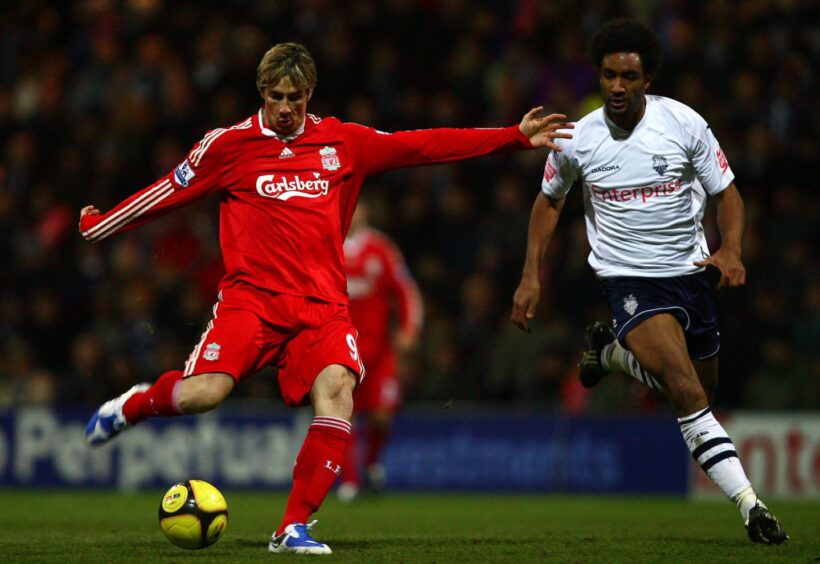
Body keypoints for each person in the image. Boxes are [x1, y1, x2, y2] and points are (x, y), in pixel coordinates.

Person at [79, 42, 572, 555]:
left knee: (338, 389)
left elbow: (421, 145)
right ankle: (136, 405)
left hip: (322, 308)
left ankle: (292, 526)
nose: (286, 107)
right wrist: (101, 225)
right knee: (202, 395)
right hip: (252, 302)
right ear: (261, 95)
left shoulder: (342, 141)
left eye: (295, 96)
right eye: (276, 97)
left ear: (309, 92)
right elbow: (168, 191)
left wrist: (512, 138)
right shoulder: (227, 146)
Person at [510, 21, 788, 545]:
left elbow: (726, 193)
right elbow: (549, 202)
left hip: (691, 274)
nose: (617, 86)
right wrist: (530, 275)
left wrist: (731, 249)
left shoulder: (684, 124)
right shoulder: (578, 138)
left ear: (647, 79)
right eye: (609, 75)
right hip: (628, 281)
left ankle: (611, 355)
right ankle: (752, 507)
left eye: (629, 76)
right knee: (685, 391)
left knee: (701, 392)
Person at [337, 197, 423, 501]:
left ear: (365, 210)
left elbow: (406, 291)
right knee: (342, 414)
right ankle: (349, 481)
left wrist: (409, 329)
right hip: (341, 351)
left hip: (380, 350)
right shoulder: (324, 247)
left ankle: (371, 464)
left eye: (356, 206)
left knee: (382, 415)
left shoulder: (381, 249)